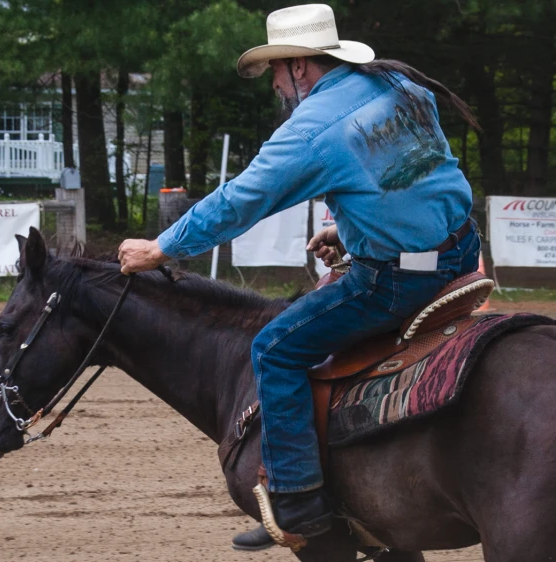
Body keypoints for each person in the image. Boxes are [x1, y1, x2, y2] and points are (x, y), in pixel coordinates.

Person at [117, 3, 481, 549]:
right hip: (459, 252)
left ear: (299, 68)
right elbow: (418, 176)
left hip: (398, 281)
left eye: (275, 74)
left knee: (274, 349)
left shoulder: (314, 128)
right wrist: (353, 231)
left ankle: (299, 502)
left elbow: (240, 199)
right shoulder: (401, 88)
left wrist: (161, 247)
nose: (275, 88)